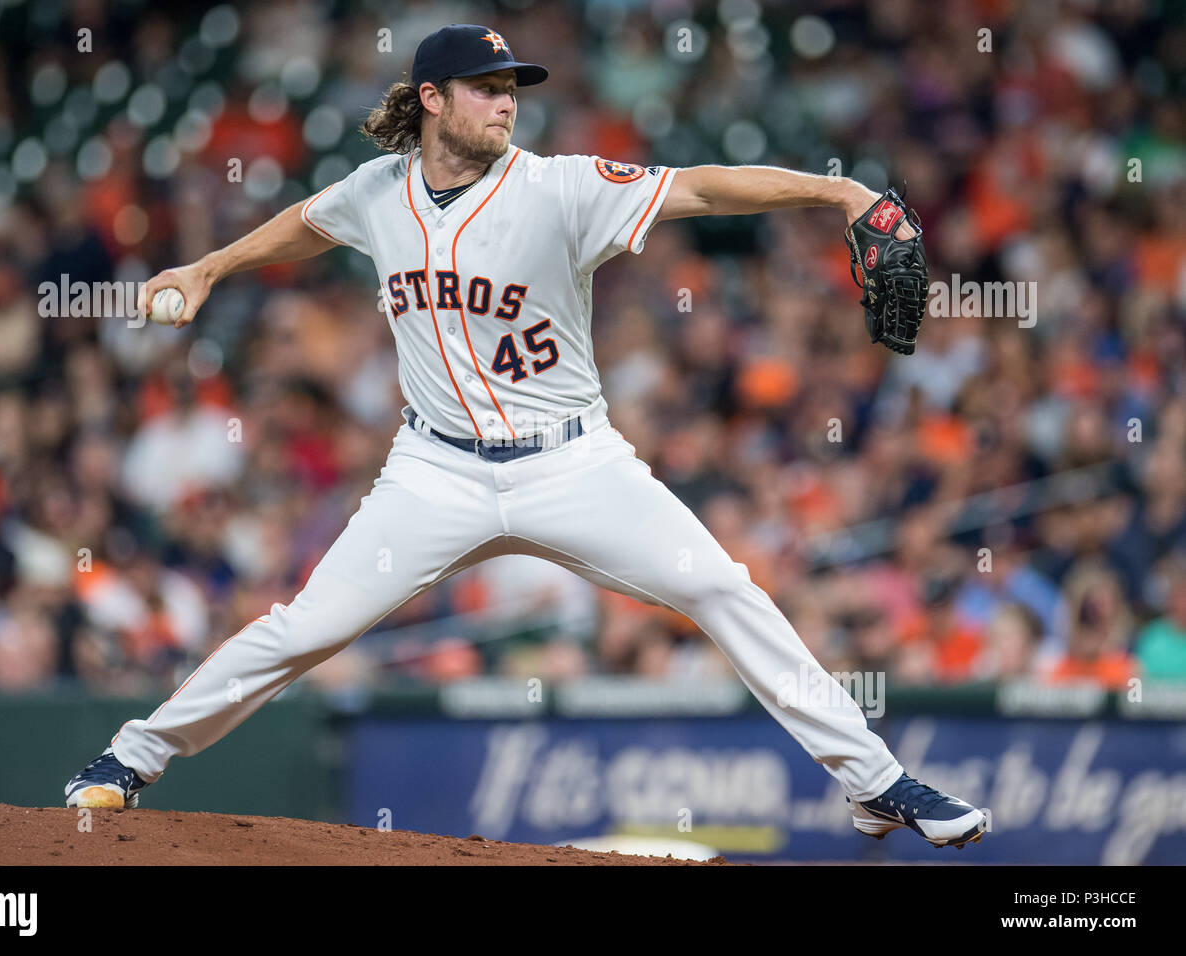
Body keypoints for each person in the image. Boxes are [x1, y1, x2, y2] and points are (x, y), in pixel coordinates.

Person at [66, 24, 986, 850]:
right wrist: (211, 266)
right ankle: (127, 760)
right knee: (304, 627)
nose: (506, 99)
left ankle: (876, 785)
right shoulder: (376, 192)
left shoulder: (559, 187)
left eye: (512, 84)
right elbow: (305, 226)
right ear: (432, 99)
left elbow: (702, 188)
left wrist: (839, 191)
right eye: (485, 84)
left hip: (573, 463)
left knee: (719, 585)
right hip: (432, 470)